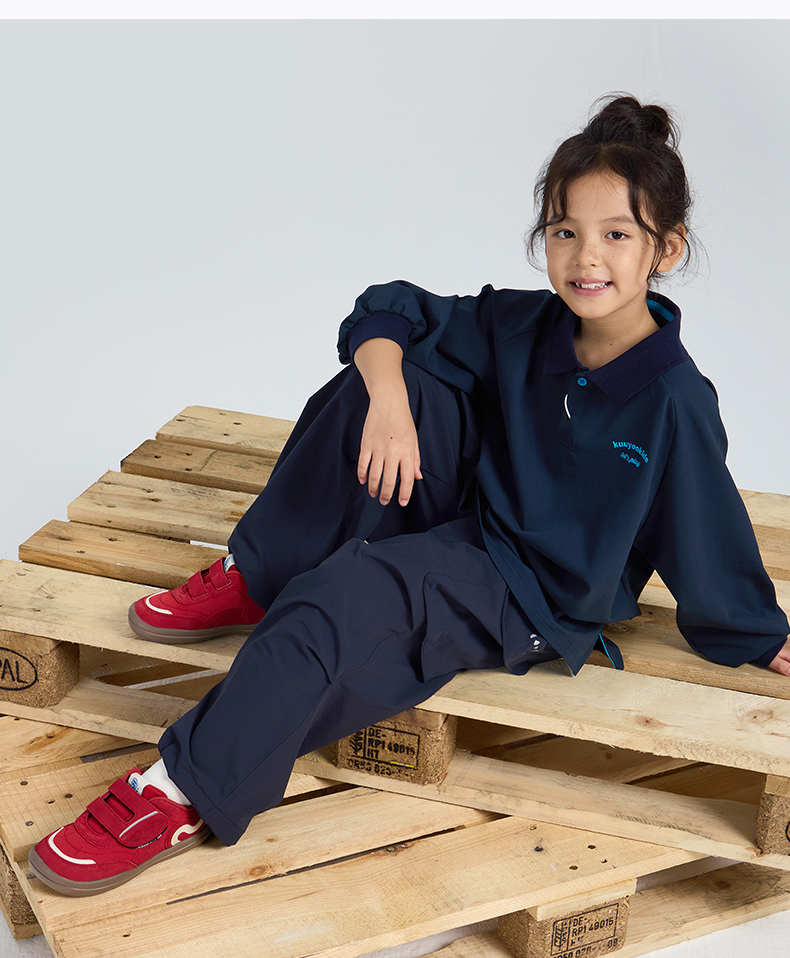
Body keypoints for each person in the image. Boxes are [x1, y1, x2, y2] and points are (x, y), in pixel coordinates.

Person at [28, 94, 790, 896]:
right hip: (477, 510)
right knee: (386, 380)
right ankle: (260, 575)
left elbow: (704, 529)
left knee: (336, 600)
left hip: (527, 593)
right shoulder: (530, 325)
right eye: (565, 232)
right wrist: (390, 401)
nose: (585, 257)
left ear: (666, 248)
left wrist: (753, 632)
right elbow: (389, 306)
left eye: (617, 235)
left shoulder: (674, 400)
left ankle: (179, 792)